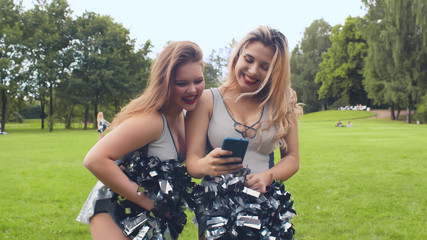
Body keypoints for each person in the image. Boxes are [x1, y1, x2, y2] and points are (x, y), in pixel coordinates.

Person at [76, 41, 205, 240]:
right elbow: (94, 159)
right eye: (182, 83)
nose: (192, 90)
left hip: (152, 219)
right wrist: (149, 202)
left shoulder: (184, 117)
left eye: (198, 81)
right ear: (165, 83)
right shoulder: (151, 121)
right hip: (116, 211)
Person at [185, 26, 302, 239]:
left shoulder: (283, 104)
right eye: (249, 59)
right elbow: (192, 162)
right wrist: (206, 164)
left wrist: (268, 176)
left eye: (265, 67)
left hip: (265, 208)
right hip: (217, 214)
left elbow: (292, 158)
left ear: (275, 72)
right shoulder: (207, 100)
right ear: (237, 56)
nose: (253, 70)